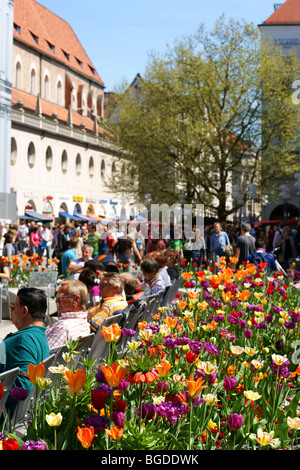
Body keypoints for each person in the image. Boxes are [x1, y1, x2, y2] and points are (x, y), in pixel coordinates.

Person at [0, 288, 50, 415]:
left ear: (24, 310)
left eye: (13, 307)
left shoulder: (23, 340)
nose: (12, 311)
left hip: (8, 414)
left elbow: (23, 386)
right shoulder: (41, 335)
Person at [46, 280, 90, 350]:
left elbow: (45, 356)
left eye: (61, 297)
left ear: (76, 300)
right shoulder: (83, 322)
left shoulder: (63, 328)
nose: (56, 301)